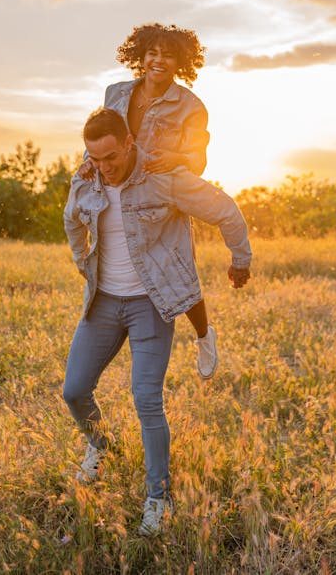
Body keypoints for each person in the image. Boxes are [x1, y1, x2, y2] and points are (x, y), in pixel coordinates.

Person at [63, 108, 251, 536]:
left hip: (150, 303)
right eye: (95, 158)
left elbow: (225, 209)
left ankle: (157, 497)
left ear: (129, 143)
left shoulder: (164, 177)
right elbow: (71, 219)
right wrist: (81, 259)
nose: (104, 167)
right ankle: (101, 446)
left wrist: (241, 258)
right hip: (104, 304)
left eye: (111, 157)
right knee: (73, 390)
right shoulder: (85, 178)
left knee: (146, 398)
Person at [80, 22, 218, 379]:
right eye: (152, 53)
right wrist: (86, 164)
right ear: (139, 56)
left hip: (161, 190)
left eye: (168, 55)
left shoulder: (190, 106)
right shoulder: (116, 92)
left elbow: (198, 161)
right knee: (126, 258)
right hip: (122, 187)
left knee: (177, 267)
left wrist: (177, 159)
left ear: (180, 62)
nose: (158, 60)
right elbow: (98, 133)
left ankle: (204, 335)